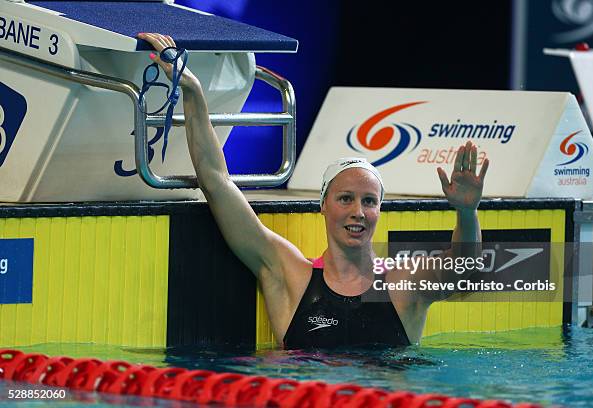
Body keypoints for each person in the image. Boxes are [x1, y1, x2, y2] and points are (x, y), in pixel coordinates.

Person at [138, 33, 489, 349]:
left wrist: (466, 212)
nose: (358, 211)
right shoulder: (290, 275)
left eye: (369, 201)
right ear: (323, 205)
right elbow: (217, 182)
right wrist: (193, 91)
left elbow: (466, 273)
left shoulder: (402, 283)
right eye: (345, 198)